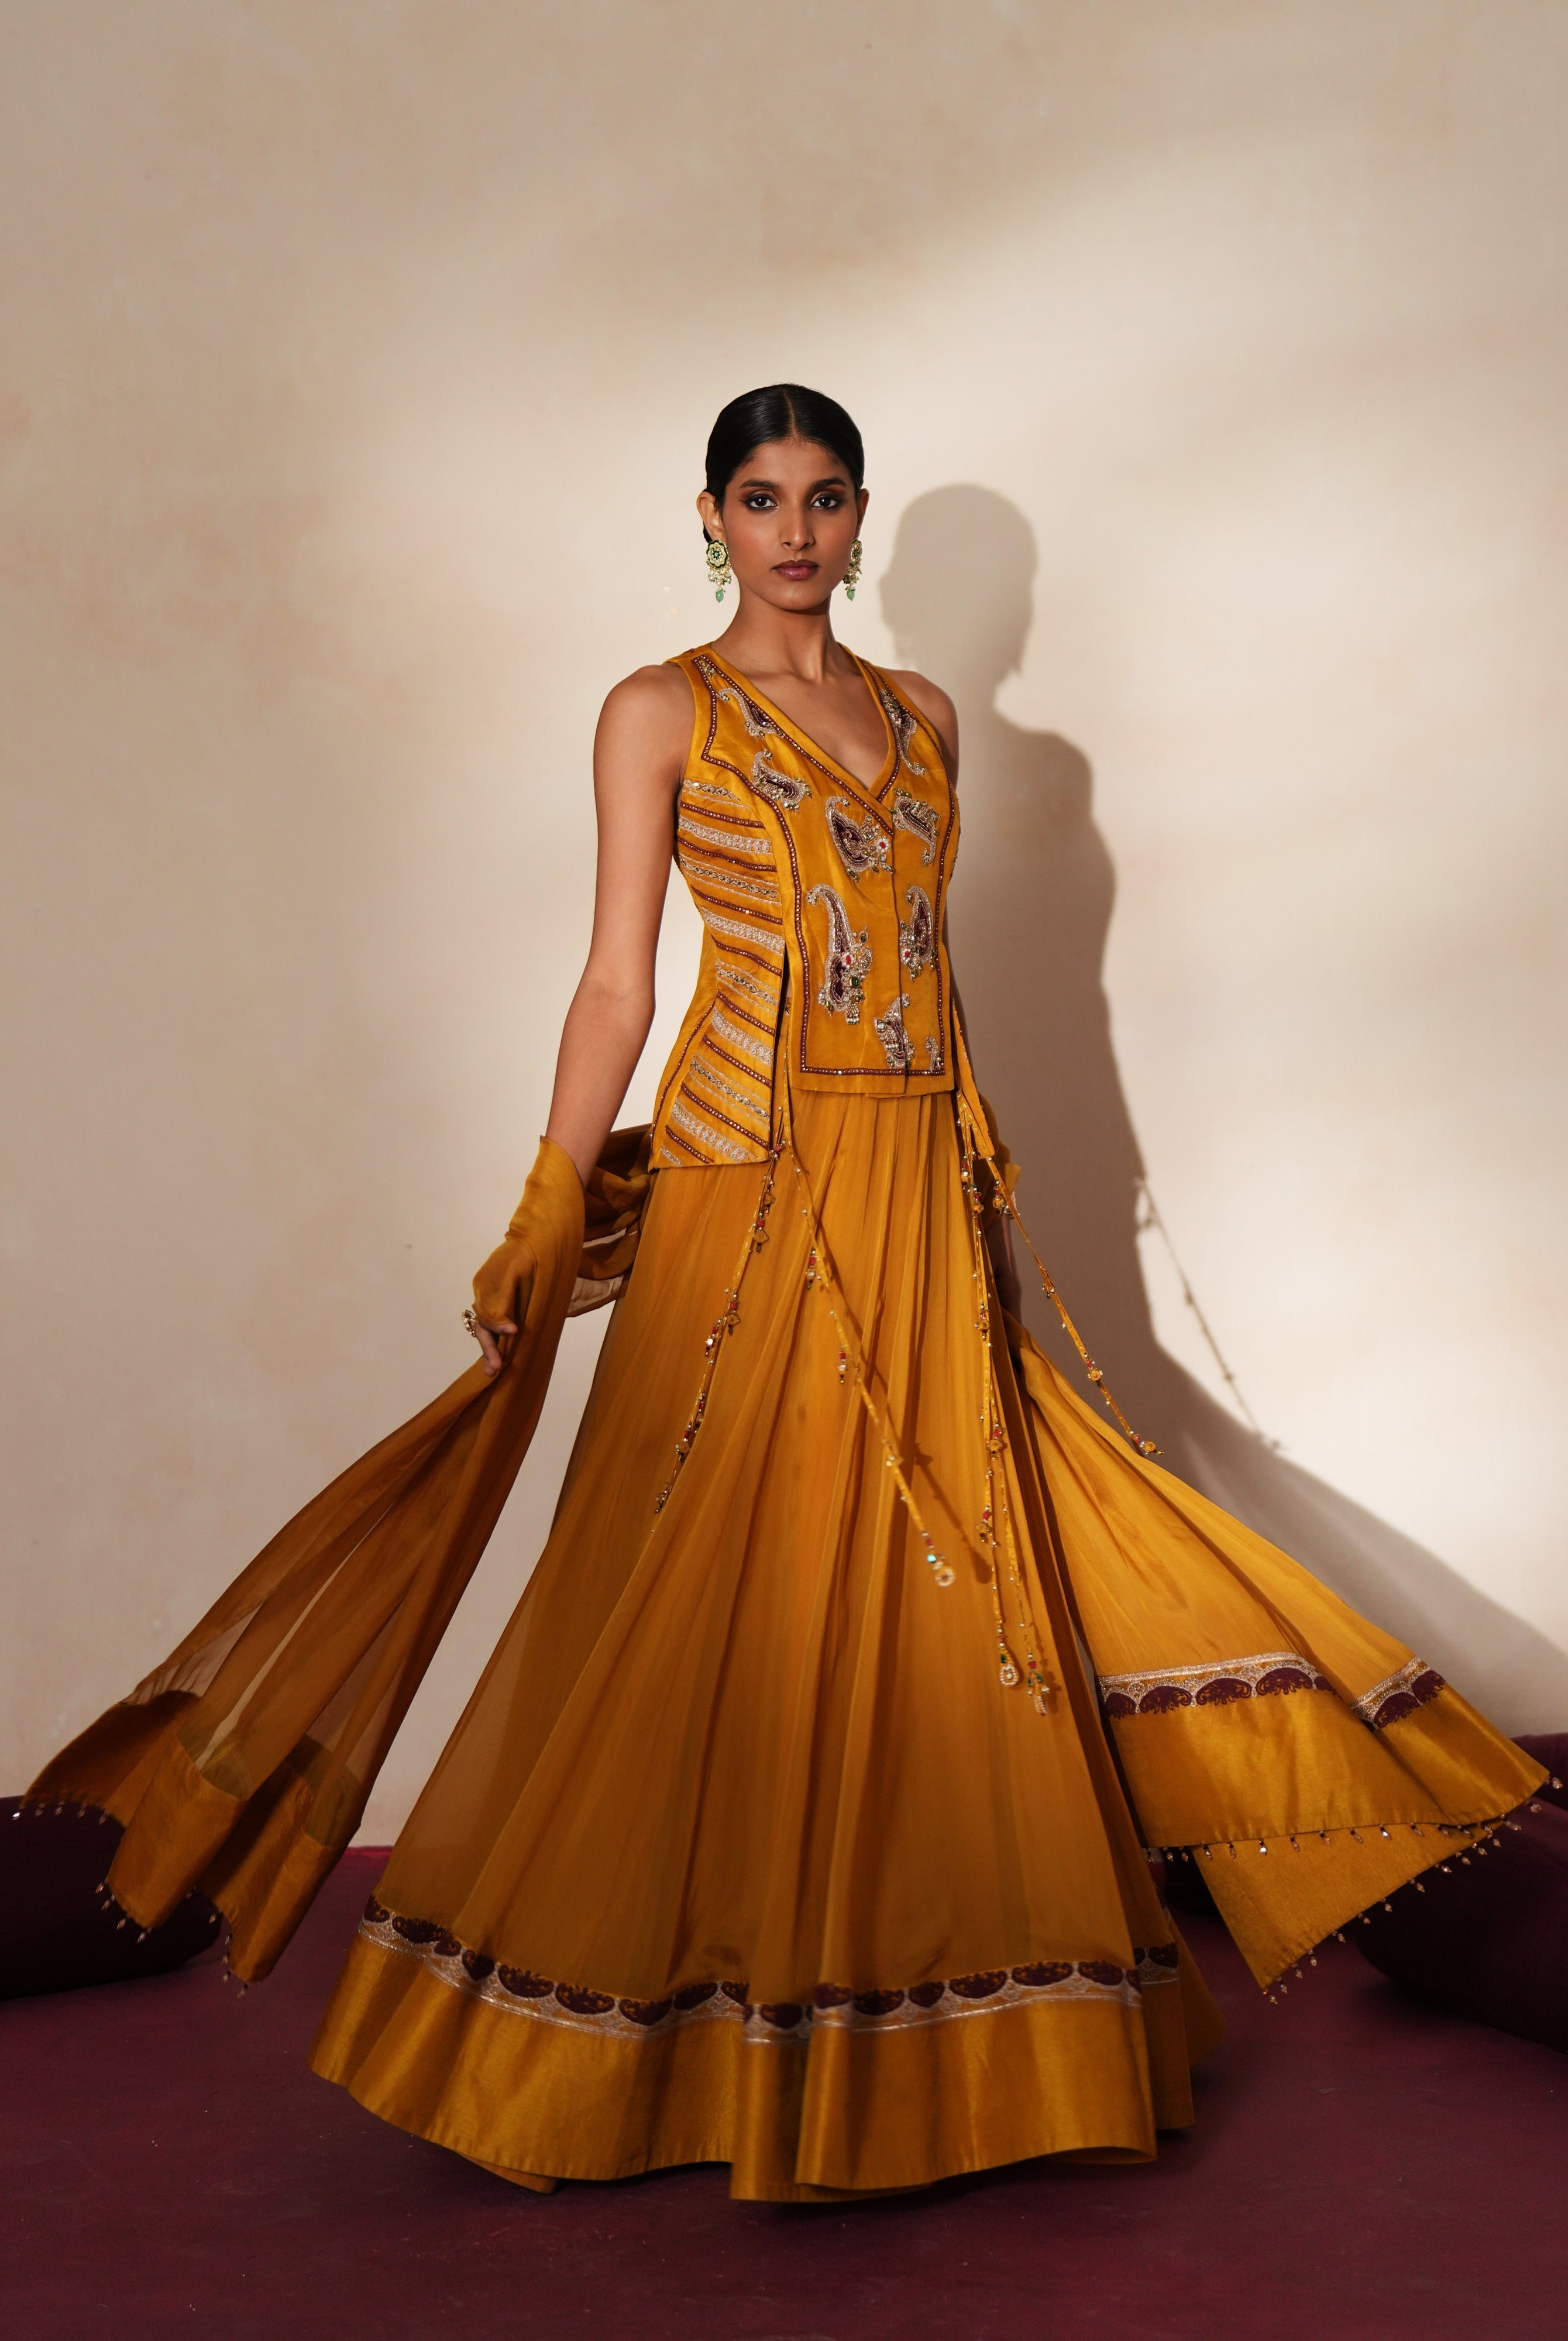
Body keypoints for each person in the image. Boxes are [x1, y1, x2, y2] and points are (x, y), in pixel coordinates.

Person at [28, 386, 1543, 2203]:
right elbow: (615, 984)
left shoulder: (927, 718)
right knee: (725, 1587)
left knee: (948, 1594)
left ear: (860, 518)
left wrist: (996, 1183)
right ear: (711, 517)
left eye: (827, 499)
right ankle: (662, 2042)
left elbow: (938, 974)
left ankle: (959, 2046)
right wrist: (547, 1191)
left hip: (918, 1182)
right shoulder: (658, 710)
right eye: (763, 500)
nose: (799, 532)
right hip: (751, 1199)